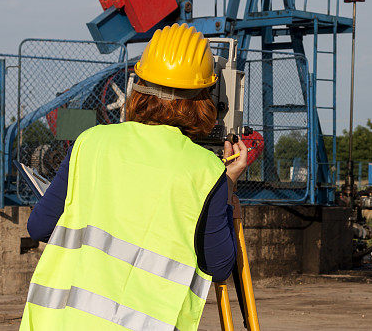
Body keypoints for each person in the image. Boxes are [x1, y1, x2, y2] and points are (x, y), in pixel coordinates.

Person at [20, 23, 248, 330]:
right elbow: (218, 266)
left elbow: (39, 226)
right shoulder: (206, 171)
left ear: (137, 87)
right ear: (206, 99)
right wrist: (228, 183)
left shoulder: (90, 143)